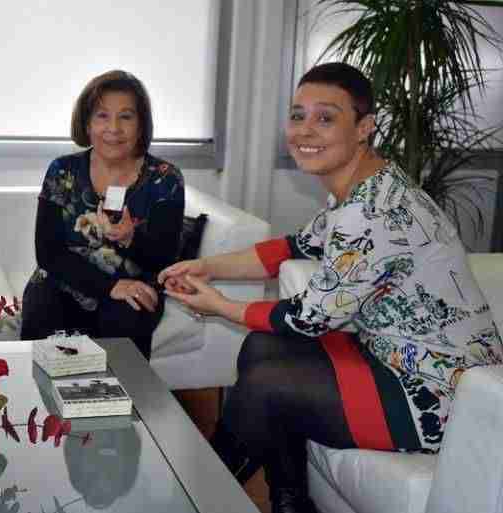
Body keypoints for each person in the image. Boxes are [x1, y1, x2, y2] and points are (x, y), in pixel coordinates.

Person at [159, 62, 503, 513]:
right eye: (297, 115)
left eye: (326, 118)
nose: (305, 130)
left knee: (268, 385)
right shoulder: (364, 186)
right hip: (395, 358)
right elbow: (292, 247)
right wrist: (206, 265)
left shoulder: (373, 213)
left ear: (364, 127)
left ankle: (193, 496)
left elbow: (308, 318)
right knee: (260, 348)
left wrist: (219, 305)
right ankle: (287, 502)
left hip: (442, 396)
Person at [20, 70, 184, 359]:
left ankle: (126, 389)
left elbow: (164, 259)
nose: (114, 128)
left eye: (126, 117)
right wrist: (109, 287)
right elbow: (48, 253)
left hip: (134, 285)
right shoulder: (63, 170)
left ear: (141, 124)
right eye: (102, 116)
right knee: (42, 308)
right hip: (66, 278)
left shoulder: (165, 178)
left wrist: (131, 239)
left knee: (126, 317)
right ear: (87, 122)